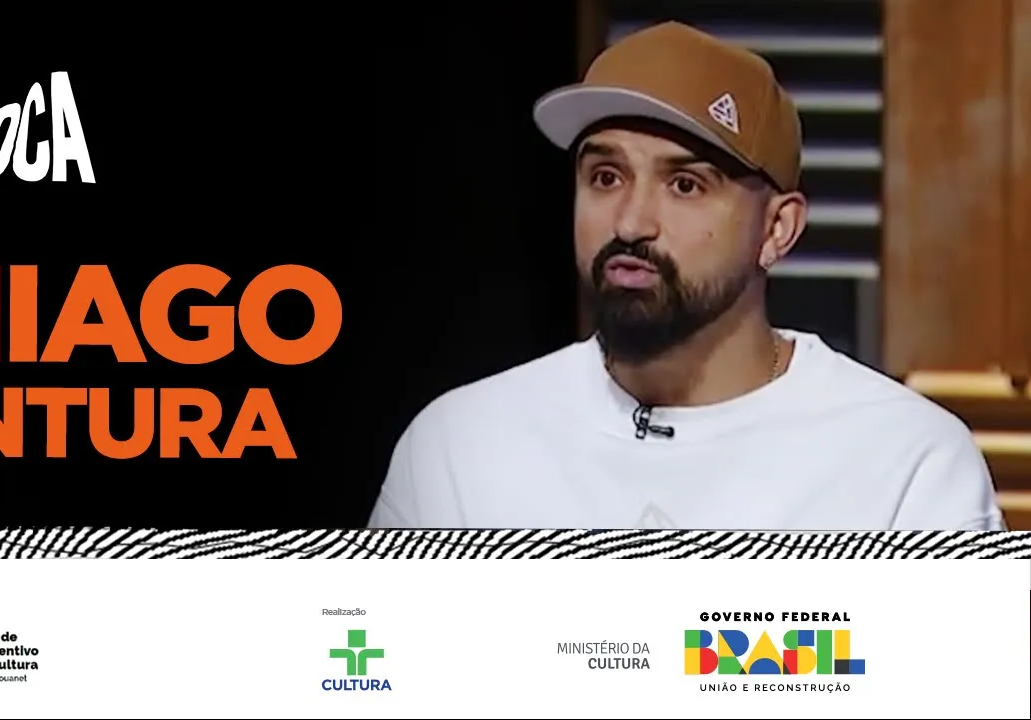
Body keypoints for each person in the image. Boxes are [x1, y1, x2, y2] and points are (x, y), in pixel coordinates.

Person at [367, 21, 1005, 531]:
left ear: (777, 229)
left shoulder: (910, 466)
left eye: (686, 185)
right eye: (605, 177)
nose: (631, 222)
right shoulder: (458, 447)